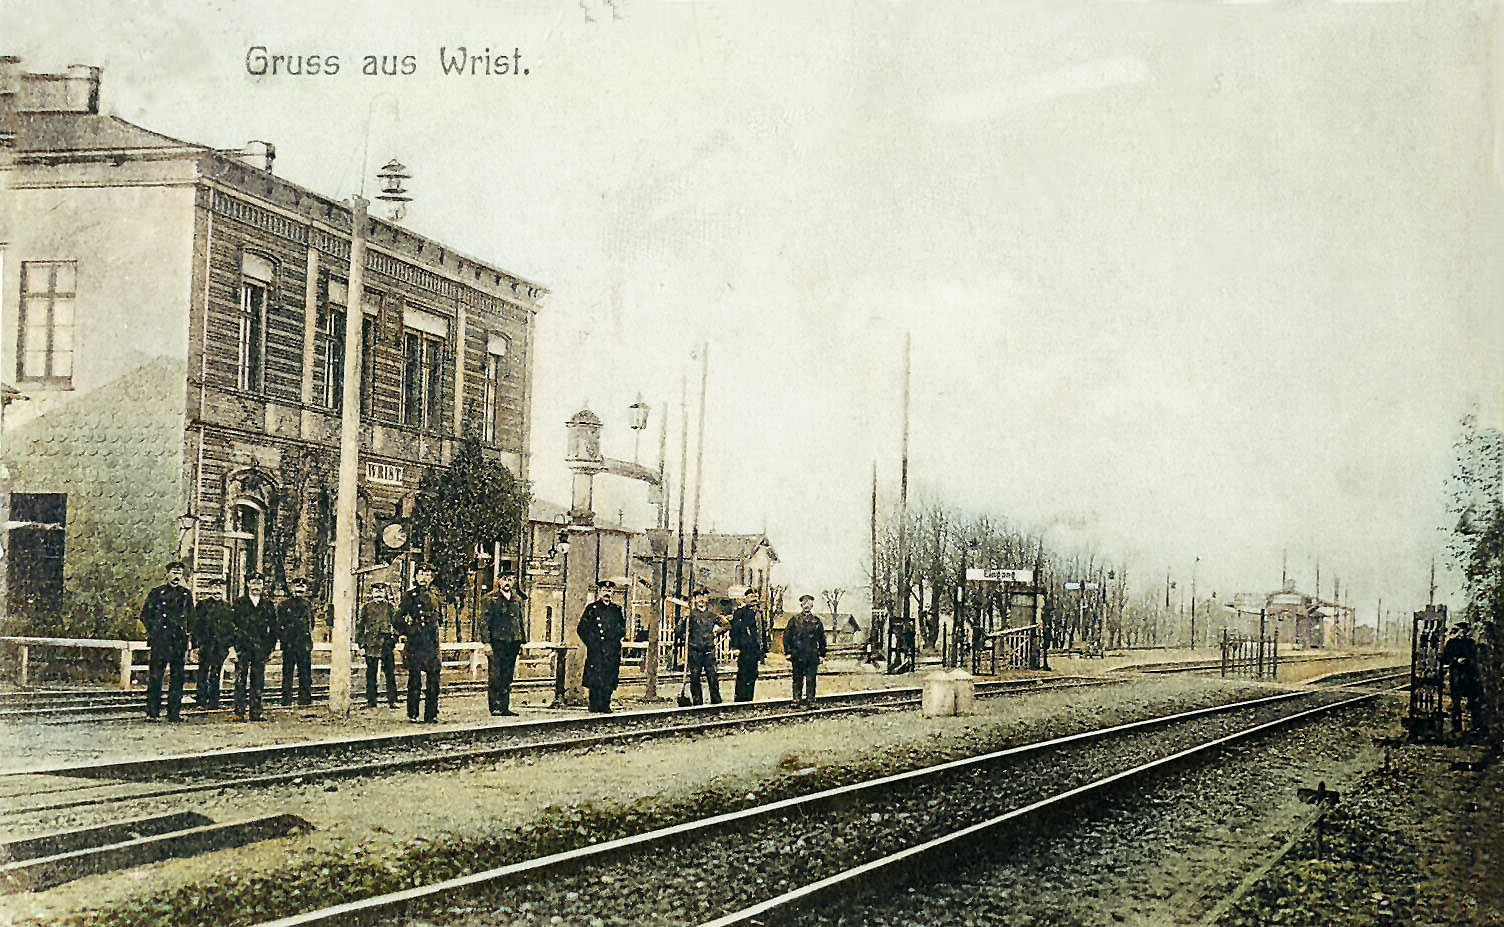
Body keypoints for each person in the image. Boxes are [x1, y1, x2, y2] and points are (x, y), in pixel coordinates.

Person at [140, 561, 193, 722]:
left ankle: (174, 713)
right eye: (174, 573)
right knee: (156, 676)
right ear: (167, 574)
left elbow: (192, 618)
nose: (176, 577)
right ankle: (153, 712)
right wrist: (154, 632)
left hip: (178, 642)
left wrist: (188, 637)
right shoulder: (157, 593)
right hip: (160, 641)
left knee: (177, 678)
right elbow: (145, 615)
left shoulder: (186, 594)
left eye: (179, 574)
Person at [395, 564, 444, 723]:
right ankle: (413, 714)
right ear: (416, 577)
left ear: (432, 578)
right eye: (421, 574)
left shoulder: (436, 595)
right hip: (416, 642)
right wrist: (407, 631)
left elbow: (440, 618)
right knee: (414, 680)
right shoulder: (410, 595)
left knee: (434, 681)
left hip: (432, 643)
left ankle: (431, 714)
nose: (424, 578)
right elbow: (397, 619)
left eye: (428, 575)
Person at [230, 574, 278, 721]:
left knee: (258, 681)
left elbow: (274, 628)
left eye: (259, 583)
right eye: (253, 583)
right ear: (248, 585)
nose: (256, 586)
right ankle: (239, 712)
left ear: (263, 585)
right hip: (242, 647)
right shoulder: (238, 603)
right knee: (240, 680)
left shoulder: (268, 605)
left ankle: (256, 712)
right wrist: (232, 647)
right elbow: (232, 626)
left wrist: (270, 648)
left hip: (260, 648)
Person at [481, 573, 526, 716]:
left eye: (511, 579)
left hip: (512, 642)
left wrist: (521, 639)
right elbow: (484, 623)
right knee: (495, 674)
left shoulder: (516, 599)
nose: (508, 582)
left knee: (507, 675)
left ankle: (505, 706)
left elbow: (519, 621)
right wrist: (486, 642)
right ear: (499, 581)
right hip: (497, 641)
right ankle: (495, 706)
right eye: (505, 579)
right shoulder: (490, 599)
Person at [578, 581, 627, 713]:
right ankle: (594, 705)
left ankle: (606, 704)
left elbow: (622, 629)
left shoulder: (616, 610)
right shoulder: (592, 609)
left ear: (613, 593)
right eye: (604, 590)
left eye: (610, 591)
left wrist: (614, 641)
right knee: (595, 678)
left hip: (611, 651)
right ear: (599, 592)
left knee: (609, 678)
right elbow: (582, 629)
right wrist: (592, 644)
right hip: (597, 651)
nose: (607, 594)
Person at [190, 578, 234, 709]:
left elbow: (230, 628)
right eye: (214, 588)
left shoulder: (227, 607)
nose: (217, 591)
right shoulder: (202, 605)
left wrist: (229, 645)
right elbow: (196, 627)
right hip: (206, 644)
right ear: (210, 590)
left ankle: (214, 701)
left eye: (220, 588)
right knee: (203, 671)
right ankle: (201, 701)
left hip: (220, 646)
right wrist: (195, 645)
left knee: (216, 671)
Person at [354, 583, 399, 709]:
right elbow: (359, 627)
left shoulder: (390, 607)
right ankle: (371, 701)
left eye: (381, 591)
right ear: (372, 593)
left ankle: (392, 700)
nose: (378, 594)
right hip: (371, 644)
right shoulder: (366, 607)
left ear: (385, 593)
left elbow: (396, 624)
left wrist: (393, 639)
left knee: (389, 673)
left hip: (386, 643)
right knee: (371, 674)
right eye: (376, 591)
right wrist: (361, 645)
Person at [684, 587, 729, 705]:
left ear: (707, 599)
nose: (701, 599)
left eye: (703, 597)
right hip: (694, 650)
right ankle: (697, 703)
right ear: (694, 599)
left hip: (709, 650)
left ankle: (716, 702)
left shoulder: (712, 615)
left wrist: (718, 631)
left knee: (713, 677)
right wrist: (684, 621)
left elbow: (727, 625)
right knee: (694, 678)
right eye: (698, 597)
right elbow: (679, 631)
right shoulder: (690, 615)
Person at [1441, 622, 1487, 737]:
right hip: (1456, 675)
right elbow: (1446, 658)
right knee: (1456, 702)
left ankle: (1475, 727)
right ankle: (1457, 728)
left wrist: (1468, 661)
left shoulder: (1470, 643)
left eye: (1464, 630)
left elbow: (1474, 658)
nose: (1462, 633)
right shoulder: (1451, 643)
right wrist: (1456, 661)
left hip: (1469, 675)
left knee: (1473, 702)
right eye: (1460, 630)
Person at [277, 577, 315, 707]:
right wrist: (285, 639)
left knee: (305, 673)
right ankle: (286, 700)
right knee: (287, 673)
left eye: (302, 587)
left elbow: (311, 623)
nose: (299, 589)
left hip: (304, 644)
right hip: (289, 644)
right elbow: (279, 624)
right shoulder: (284, 605)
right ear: (292, 588)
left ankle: (305, 701)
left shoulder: (308, 604)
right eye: (297, 587)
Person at [784, 594, 827, 708]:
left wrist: (822, 654)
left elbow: (822, 639)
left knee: (811, 679)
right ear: (801, 605)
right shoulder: (794, 620)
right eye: (804, 603)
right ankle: (796, 699)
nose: (806, 606)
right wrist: (788, 652)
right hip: (797, 654)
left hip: (812, 655)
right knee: (797, 678)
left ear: (812, 605)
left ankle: (810, 700)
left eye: (808, 603)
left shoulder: (816, 621)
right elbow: (786, 637)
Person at [730, 586, 766, 702]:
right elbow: (734, 631)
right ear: (745, 599)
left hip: (754, 650)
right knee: (743, 674)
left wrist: (763, 650)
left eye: (755, 597)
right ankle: (740, 700)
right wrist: (735, 647)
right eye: (750, 597)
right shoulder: (740, 613)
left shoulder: (759, 614)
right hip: (744, 649)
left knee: (753, 675)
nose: (753, 599)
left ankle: (749, 699)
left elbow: (761, 633)